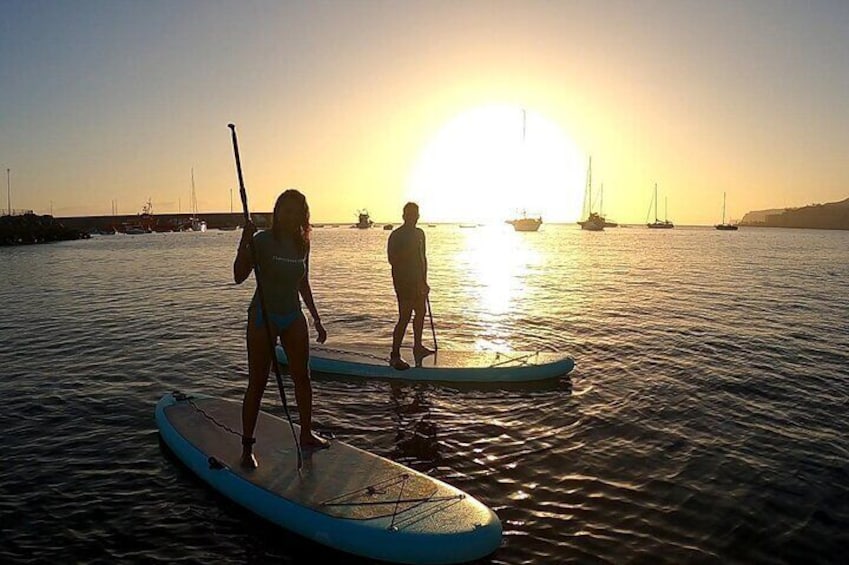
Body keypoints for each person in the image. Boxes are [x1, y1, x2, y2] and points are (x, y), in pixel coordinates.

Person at [233, 188, 328, 469]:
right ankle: (247, 447)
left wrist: (317, 318)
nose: (291, 216)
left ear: (303, 215)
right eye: (286, 210)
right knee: (258, 383)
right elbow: (238, 276)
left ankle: (306, 433)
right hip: (263, 317)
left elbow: (303, 282)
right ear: (277, 212)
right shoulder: (262, 241)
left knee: (303, 378)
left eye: (297, 212)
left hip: (292, 316)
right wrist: (243, 242)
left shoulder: (303, 244)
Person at [387, 202, 434, 370]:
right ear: (404, 216)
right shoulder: (396, 235)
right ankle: (394, 355)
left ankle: (418, 346)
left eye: (416, 214)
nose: (413, 217)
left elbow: (423, 258)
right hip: (403, 282)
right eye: (410, 214)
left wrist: (424, 280)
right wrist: (409, 250)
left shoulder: (420, 233)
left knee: (421, 312)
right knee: (404, 317)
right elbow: (392, 260)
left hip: (418, 281)